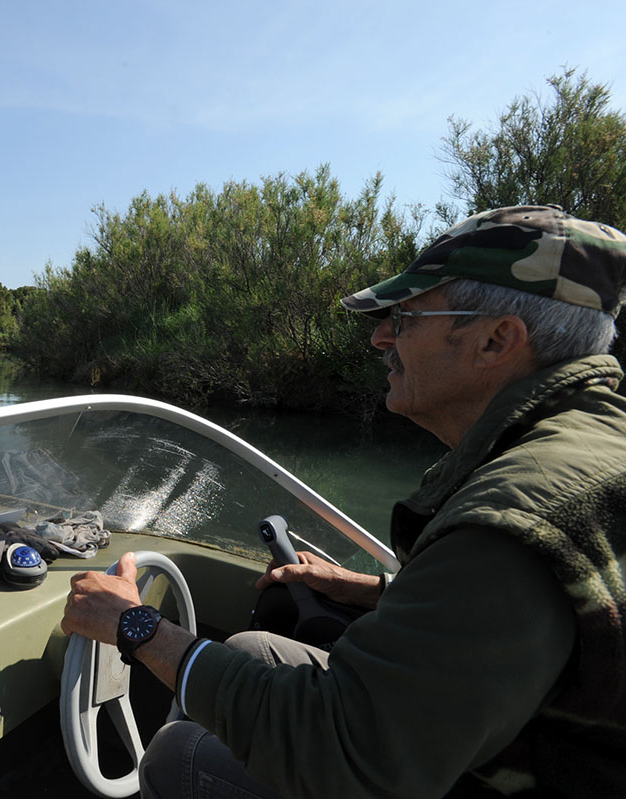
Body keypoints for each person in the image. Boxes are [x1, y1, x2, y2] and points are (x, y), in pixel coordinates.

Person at [61, 205, 626, 798]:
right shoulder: (585, 440)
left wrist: (139, 626)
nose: (382, 336)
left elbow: (350, 755)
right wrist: (372, 590)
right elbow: (494, 620)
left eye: (406, 317)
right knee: (253, 649)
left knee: (179, 756)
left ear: (496, 340)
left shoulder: (516, 518)